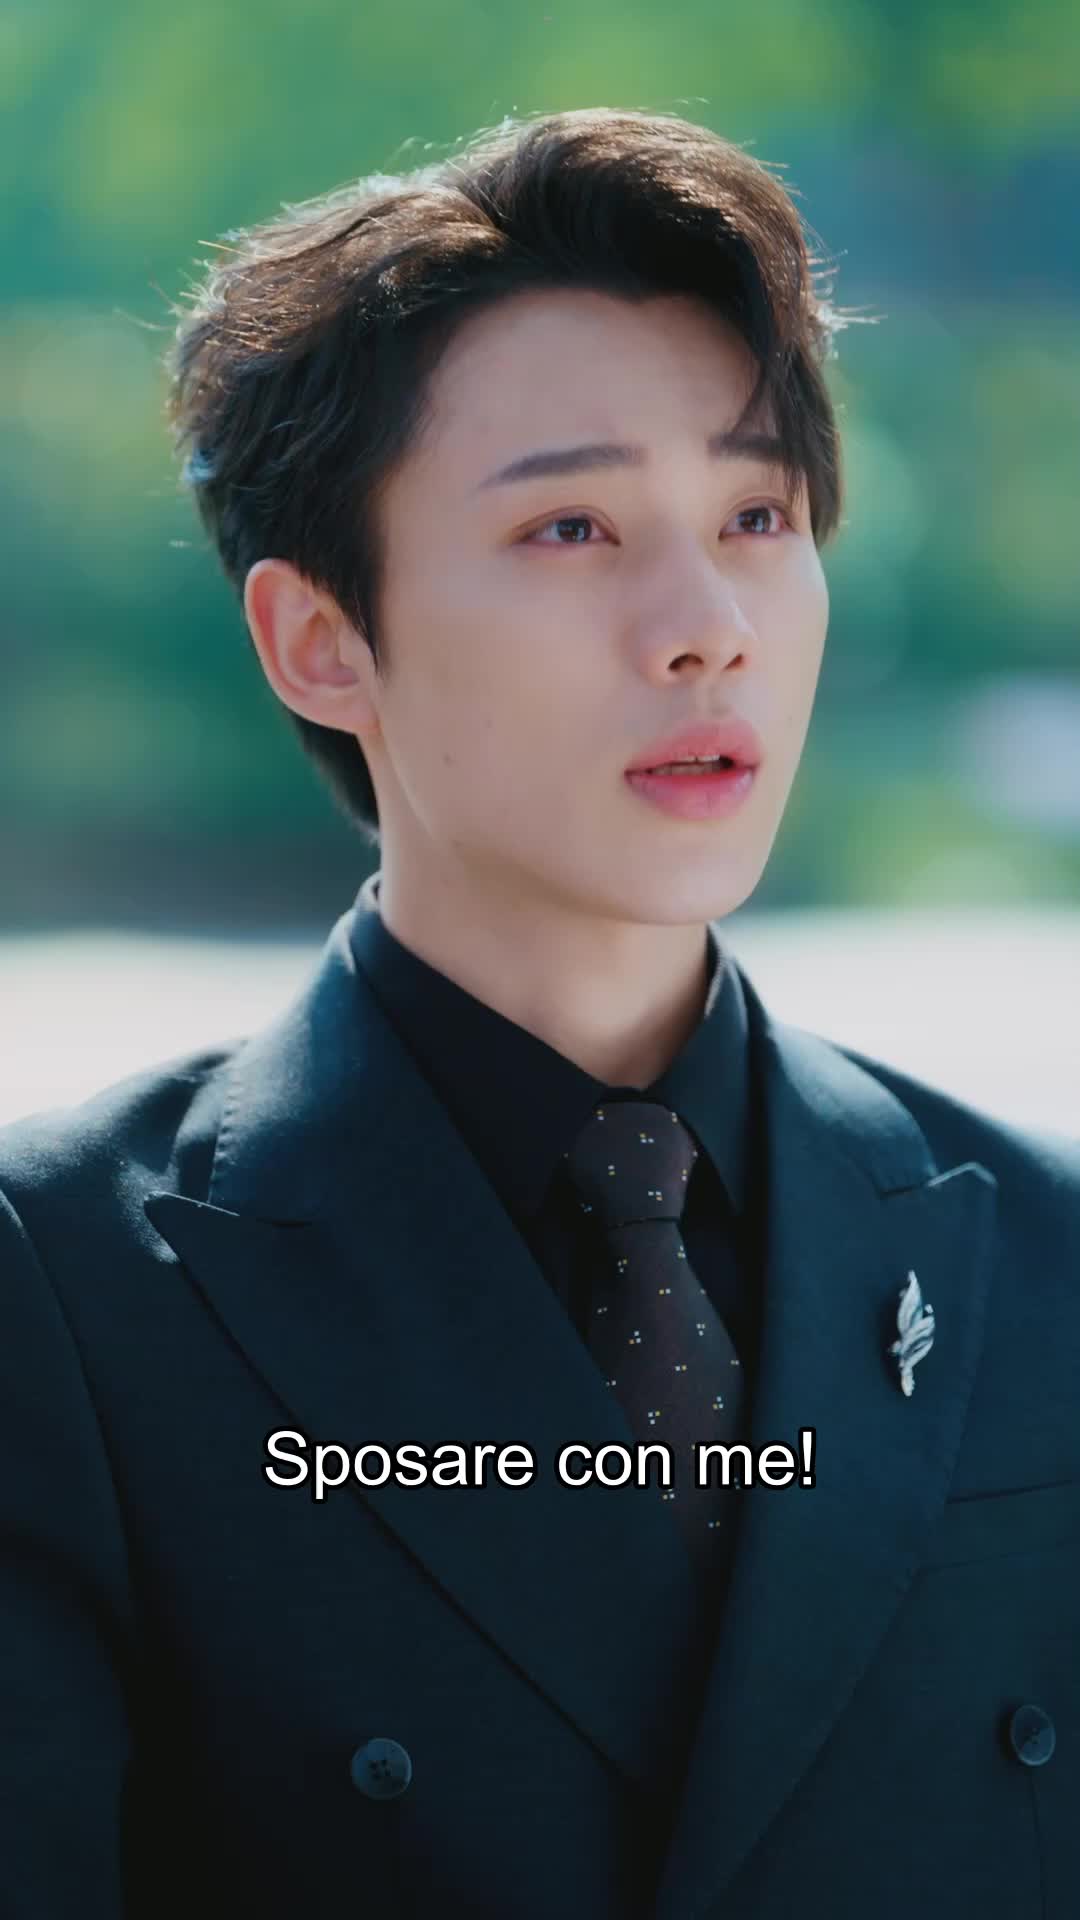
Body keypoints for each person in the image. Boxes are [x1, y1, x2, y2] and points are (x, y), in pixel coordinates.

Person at [1, 105, 1077, 1920]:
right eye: (573, 525)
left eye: (757, 515)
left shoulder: (1040, 1254)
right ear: (320, 641)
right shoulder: (65, 1294)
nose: (706, 624)